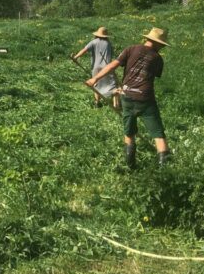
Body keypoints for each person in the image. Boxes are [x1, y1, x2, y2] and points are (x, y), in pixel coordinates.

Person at [87, 27, 171, 169]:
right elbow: (151, 76)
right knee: (158, 134)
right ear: (157, 43)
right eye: (162, 45)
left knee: (129, 132)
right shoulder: (157, 58)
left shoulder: (131, 49)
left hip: (127, 97)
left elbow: (112, 65)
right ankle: (165, 172)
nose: (162, 47)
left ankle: (130, 167)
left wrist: (94, 79)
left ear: (148, 39)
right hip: (146, 99)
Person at [71, 26, 120, 110]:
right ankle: (116, 104)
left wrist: (75, 57)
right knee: (112, 84)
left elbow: (84, 50)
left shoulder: (93, 42)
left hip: (96, 67)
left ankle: (97, 102)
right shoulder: (108, 44)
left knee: (96, 84)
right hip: (107, 67)